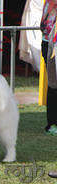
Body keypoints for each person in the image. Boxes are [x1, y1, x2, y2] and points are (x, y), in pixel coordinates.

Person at [40, 0, 57, 135]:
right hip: (49, 45)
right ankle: (52, 123)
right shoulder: (49, 4)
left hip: (50, 44)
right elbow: (43, 26)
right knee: (53, 84)